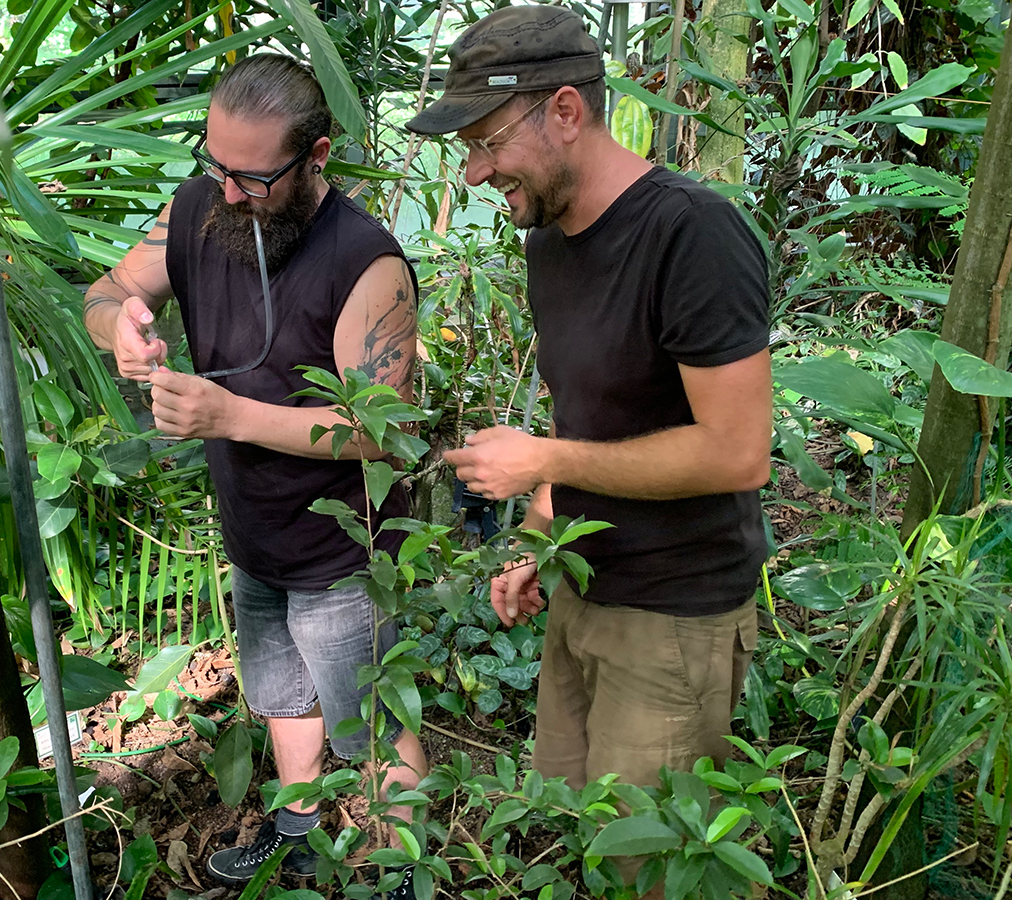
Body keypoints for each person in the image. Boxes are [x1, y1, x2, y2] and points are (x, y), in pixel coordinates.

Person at [83, 53, 428, 898]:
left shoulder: (366, 263)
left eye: (254, 178)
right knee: (280, 692)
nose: (231, 193)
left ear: (316, 158)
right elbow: (113, 287)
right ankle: (303, 829)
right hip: (256, 530)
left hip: (347, 548)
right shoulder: (201, 207)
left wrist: (227, 416)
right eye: (217, 167)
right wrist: (120, 328)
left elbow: (381, 432)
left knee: (373, 724)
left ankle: (405, 864)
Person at [412, 3, 770, 811]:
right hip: (582, 589)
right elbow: (588, 418)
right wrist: (538, 539)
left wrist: (544, 461)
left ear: (566, 112)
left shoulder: (693, 236)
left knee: (647, 865)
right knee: (579, 827)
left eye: (487, 143)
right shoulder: (550, 240)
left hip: (673, 617)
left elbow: (738, 451)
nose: (474, 173)